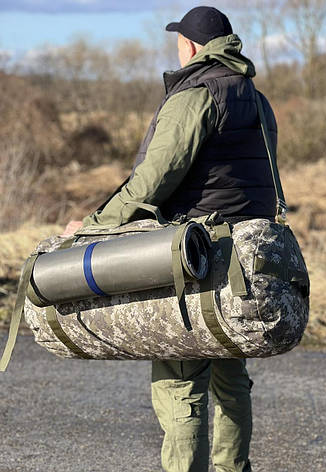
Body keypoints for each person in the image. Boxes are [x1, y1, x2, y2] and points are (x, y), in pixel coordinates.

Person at [63, 6, 278, 472]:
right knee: (231, 377)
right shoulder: (256, 98)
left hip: (196, 257)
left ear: (192, 46)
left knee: (180, 382)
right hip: (247, 259)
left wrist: (90, 228)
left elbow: (150, 184)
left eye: (179, 41)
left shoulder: (196, 95)